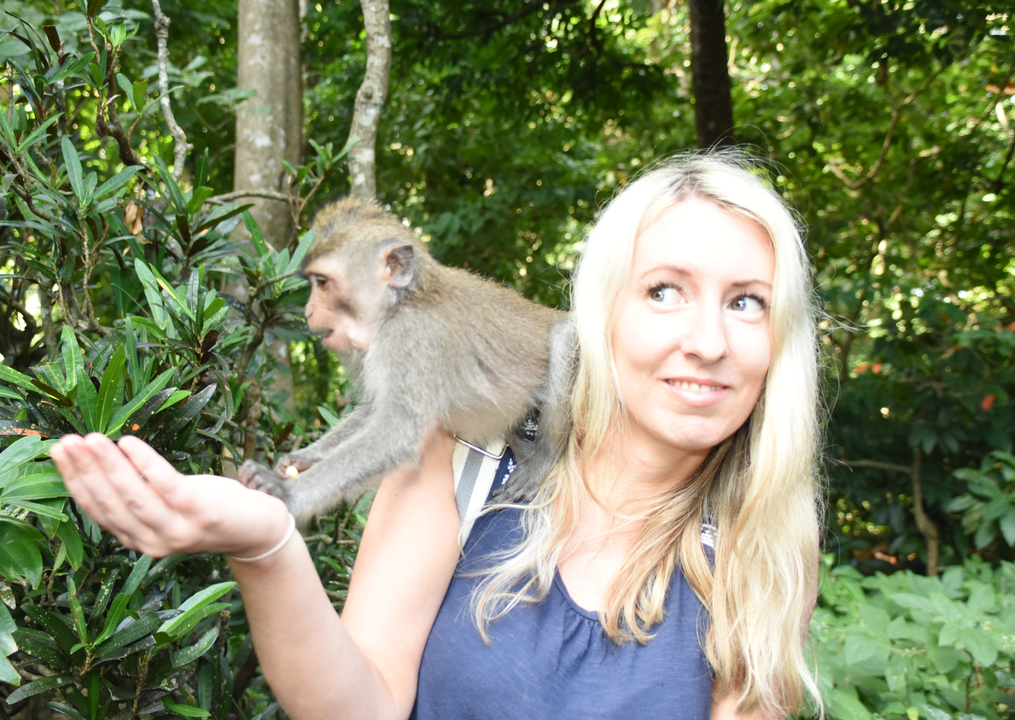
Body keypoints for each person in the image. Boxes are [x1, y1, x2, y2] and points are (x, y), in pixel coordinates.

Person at [51, 152, 822, 720]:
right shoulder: (464, 460)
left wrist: (297, 490)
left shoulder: (762, 535)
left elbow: (390, 425)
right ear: (605, 310)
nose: (707, 343)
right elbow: (361, 707)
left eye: (747, 302)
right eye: (665, 291)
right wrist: (267, 538)